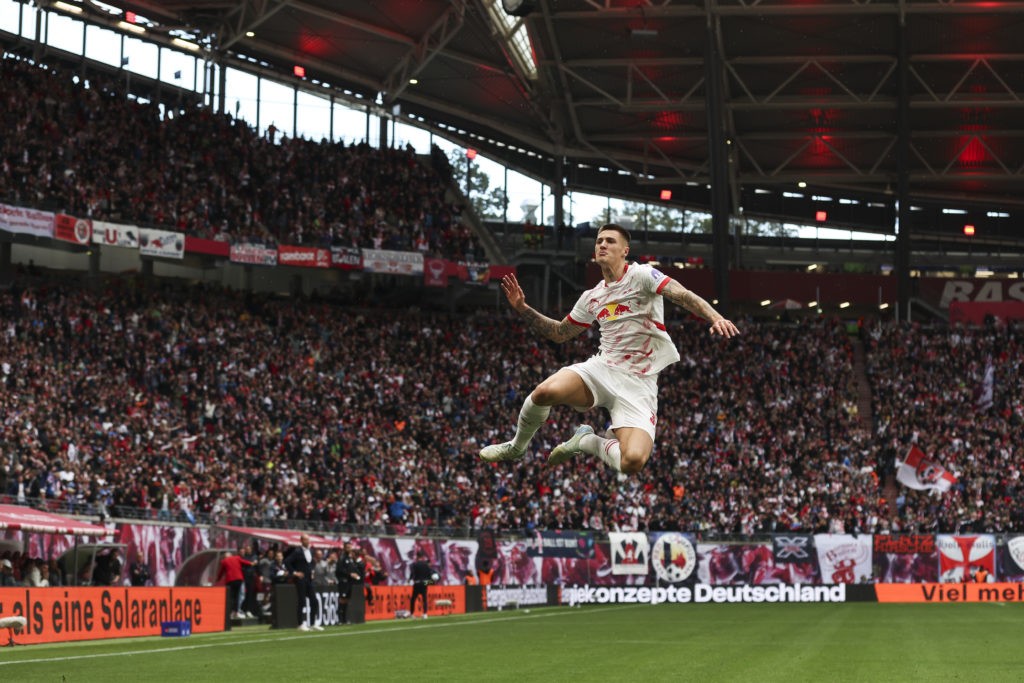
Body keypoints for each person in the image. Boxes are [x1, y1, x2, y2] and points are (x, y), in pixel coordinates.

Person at [480, 223, 739, 475]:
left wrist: (715, 317)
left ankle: (585, 441)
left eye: (610, 241)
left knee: (633, 461)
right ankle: (516, 446)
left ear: (625, 250)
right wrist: (523, 309)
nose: (602, 245)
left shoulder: (642, 275)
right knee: (544, 392)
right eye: (599, 241)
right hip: (603, 369)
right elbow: (559, 333)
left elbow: (683, 295)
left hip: (639, 383)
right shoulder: (592, 297)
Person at [284, 534, 322, 631]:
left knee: (314, 600)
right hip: (301, 580)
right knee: (302, 601)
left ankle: (313, 623)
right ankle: (300, 624)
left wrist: (312, 571)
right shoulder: (297, 551)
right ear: (301, 541)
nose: (307, 541)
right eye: (305, 540)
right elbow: (287, 561)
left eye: (308, 539)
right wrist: (294, 572)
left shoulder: (310, 551)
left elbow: (312, 562)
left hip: (309, 579)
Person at [215, 549, 252, 620]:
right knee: (239, 595)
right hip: (239, 579)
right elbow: (245, 562)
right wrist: (251, 563)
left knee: (232, 597)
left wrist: (217, 579)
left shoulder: (224, 561)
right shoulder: (237, 558)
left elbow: (221, 572)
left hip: (230, 580)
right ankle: (236, 611)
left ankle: (232, 612)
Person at [334, 542, 362, 625]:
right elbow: (339, 570)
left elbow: (352, 569)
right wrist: (349, 574)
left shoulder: (350, 559)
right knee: (342, 599)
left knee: (346, 600)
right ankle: (339, 619)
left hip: (349, 582)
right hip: (343, 582)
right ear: (344, 548)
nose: (349, 549)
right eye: (347, 547)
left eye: (350, 547)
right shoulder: (342, 558)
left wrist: (356, 574)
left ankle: (344, 619)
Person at [409, 551, 435, 619]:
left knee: (413, 599)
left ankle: (412, 614)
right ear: (422, 556)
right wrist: (430, 582)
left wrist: (410, 580)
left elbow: (412, 574)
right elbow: (429, 574)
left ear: (417, 556)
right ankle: (425, 614)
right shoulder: (426, 564)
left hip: (417, 583)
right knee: (424, 599)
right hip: (424, 583)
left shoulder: (414, 564)